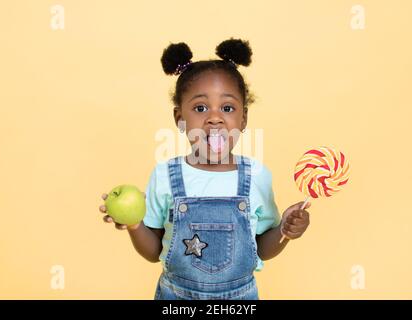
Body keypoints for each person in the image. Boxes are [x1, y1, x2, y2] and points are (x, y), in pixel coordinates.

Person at [99, 38, 311, 300]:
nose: (214, 117)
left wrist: (284, 231)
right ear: (180, 119)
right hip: (175, 298)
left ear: (243, 118)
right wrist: (133, 223)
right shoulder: (165, 175)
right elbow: (153, 252)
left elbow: (261, 250)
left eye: (227, 107)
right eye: (200, 108)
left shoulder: (257, 176)